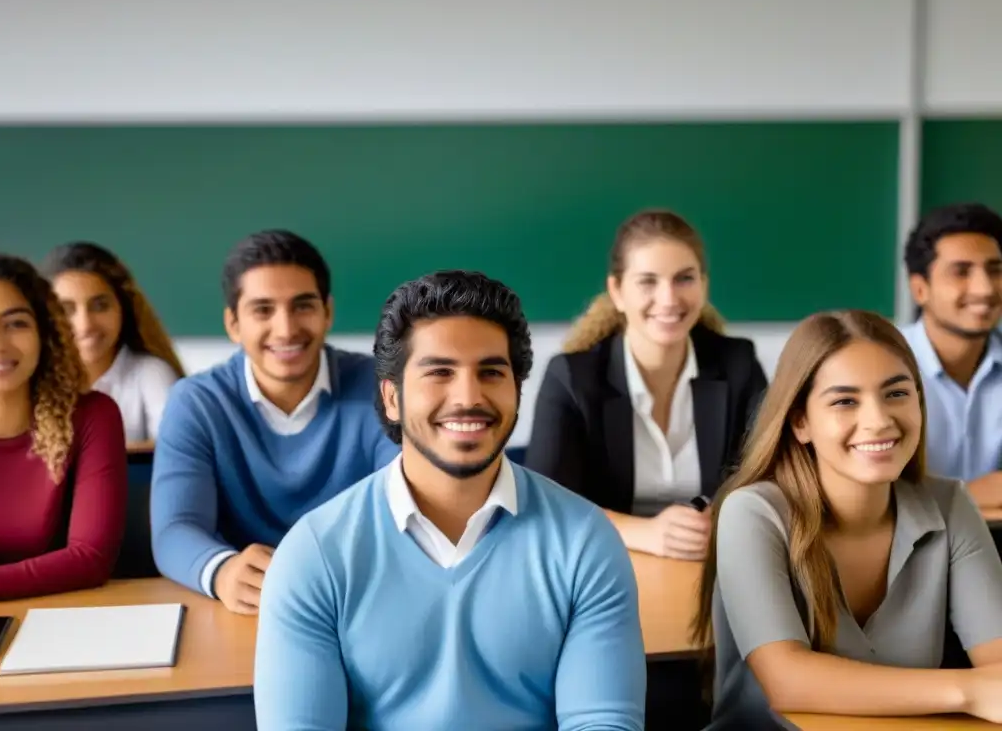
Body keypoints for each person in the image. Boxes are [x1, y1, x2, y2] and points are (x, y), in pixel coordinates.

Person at [254, 271, 646, 731]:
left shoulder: (586, 541)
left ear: (517, 392)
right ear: (392, 397)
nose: (468, 396)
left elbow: (603, 724)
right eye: (440, 372)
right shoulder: (314, 554)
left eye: (491, 372)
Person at [692, 310, 1002, 728]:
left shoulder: (949, 504)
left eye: (896, 393)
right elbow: (788, 681)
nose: (878, 420)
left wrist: (978, 688)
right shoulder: (753, 512)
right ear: (800, 421)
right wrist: (968, 690)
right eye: (845, 401)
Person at [151, 230, 399, 613]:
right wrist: (221, 571)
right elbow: (175, 529)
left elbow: (406, 499)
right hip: (248, 613)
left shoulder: (378, 387)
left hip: (356, 600)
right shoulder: (196, 402)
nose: (285, 329)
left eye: (302, 306)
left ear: (327, 312)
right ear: (233, 324)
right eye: (263, 310)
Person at [525, 209, 767, 561]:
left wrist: (728, 518)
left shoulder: (738, 364)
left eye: (684, 278)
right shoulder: (572, 377)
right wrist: (643, 532)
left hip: (712, 567)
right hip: (605, 564)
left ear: (704, 285)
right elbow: (543, 504)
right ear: (617, 291)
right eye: (648, 281)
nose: (668, 299)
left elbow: (775, 472)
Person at [0, 254, 127, 602]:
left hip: (58, 625)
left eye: (16, 323)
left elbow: (90, 560)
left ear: (45, 334)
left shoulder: (93, 417)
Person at [900, 203, 1002, 508]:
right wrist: (968, 496)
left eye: (995, 270)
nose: (984, 289)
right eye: (961, 271)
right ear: (920, 290)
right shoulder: (880, 367)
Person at [44, 242, 185, 445]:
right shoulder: (33, 379)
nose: (85, 325)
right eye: (66, 309)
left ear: (123, 309)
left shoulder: (150, 374)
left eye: (100, 306)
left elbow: (177, 450)